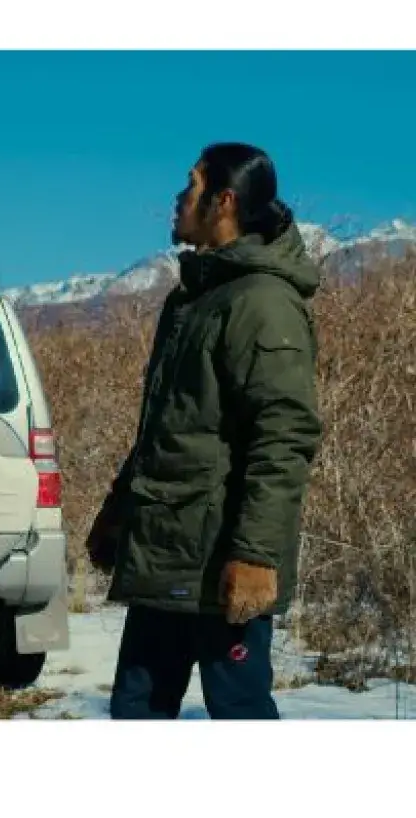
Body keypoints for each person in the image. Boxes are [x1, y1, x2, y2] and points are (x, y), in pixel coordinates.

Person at [87, 143, 323, 720]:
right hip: (164, 552)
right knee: (136, 710)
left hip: (221, 563)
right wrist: (119, 511)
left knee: (238, 711)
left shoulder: (261, 301)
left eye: (190, 185)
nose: (177, 198)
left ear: (224, 201)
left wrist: (256, 555)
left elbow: (283, 435)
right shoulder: (193, 300)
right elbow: (171, 425)